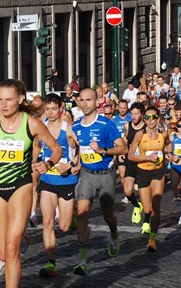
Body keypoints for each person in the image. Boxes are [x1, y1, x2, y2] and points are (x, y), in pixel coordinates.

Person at [0, 80, 63, 286]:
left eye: (8, 100)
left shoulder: (32, 123)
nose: (3, 104)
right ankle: (21, 241)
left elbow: (56, 148)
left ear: (20, 99)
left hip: (21, 185)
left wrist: (49, 163)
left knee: (11, 249)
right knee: (1, 252)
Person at [71, 88, 128, 276]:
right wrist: (75, 161)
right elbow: (80, 148)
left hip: (105, 174)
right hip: (86, 174)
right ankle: (82, 259)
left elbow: (123, 148)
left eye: (89, 100)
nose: (85, 103)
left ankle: (113, 233)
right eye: (82, 100)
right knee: (82, 214)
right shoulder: (77, 125)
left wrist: (103, 150)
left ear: (97, 102)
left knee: (107, 214)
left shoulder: (106, 124)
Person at [34, 93, 80, 278]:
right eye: (47, 109)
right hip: (48, 180)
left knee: (65, 227)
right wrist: (34, 161)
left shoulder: (68, 128)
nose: (50, 112)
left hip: (66, 180)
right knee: (47, 221)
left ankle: (73, 215)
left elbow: (81, 149)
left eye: (54, 109)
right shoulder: (41, 128)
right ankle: (51, 262)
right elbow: (37, 146)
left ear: (60, 109)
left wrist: (71, 164)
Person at [127, 106, 170, 251]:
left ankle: (152, 239)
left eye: (152, 117)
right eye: (147, 117)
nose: (150, 120)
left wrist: (170, 156)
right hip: (143, 171)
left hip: (158, 172)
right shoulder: (140, 134)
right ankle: (143, 213)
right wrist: (147, 157)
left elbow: (168, 149)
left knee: (156, 206)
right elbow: (130, 155)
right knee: (148, 208)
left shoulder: (163, 134)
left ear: (157, 119)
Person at [120, 102, 145, 225]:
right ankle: (136, 205)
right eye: (132, 114)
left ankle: (147, 221)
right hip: (131, 161)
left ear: (142, 114)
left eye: (136, 114)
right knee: (128, 190)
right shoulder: (127, 125)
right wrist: (121, 151)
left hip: (144, 162)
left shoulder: (146, 127)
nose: (134, 116)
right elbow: (125, 139)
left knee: (145, 193)